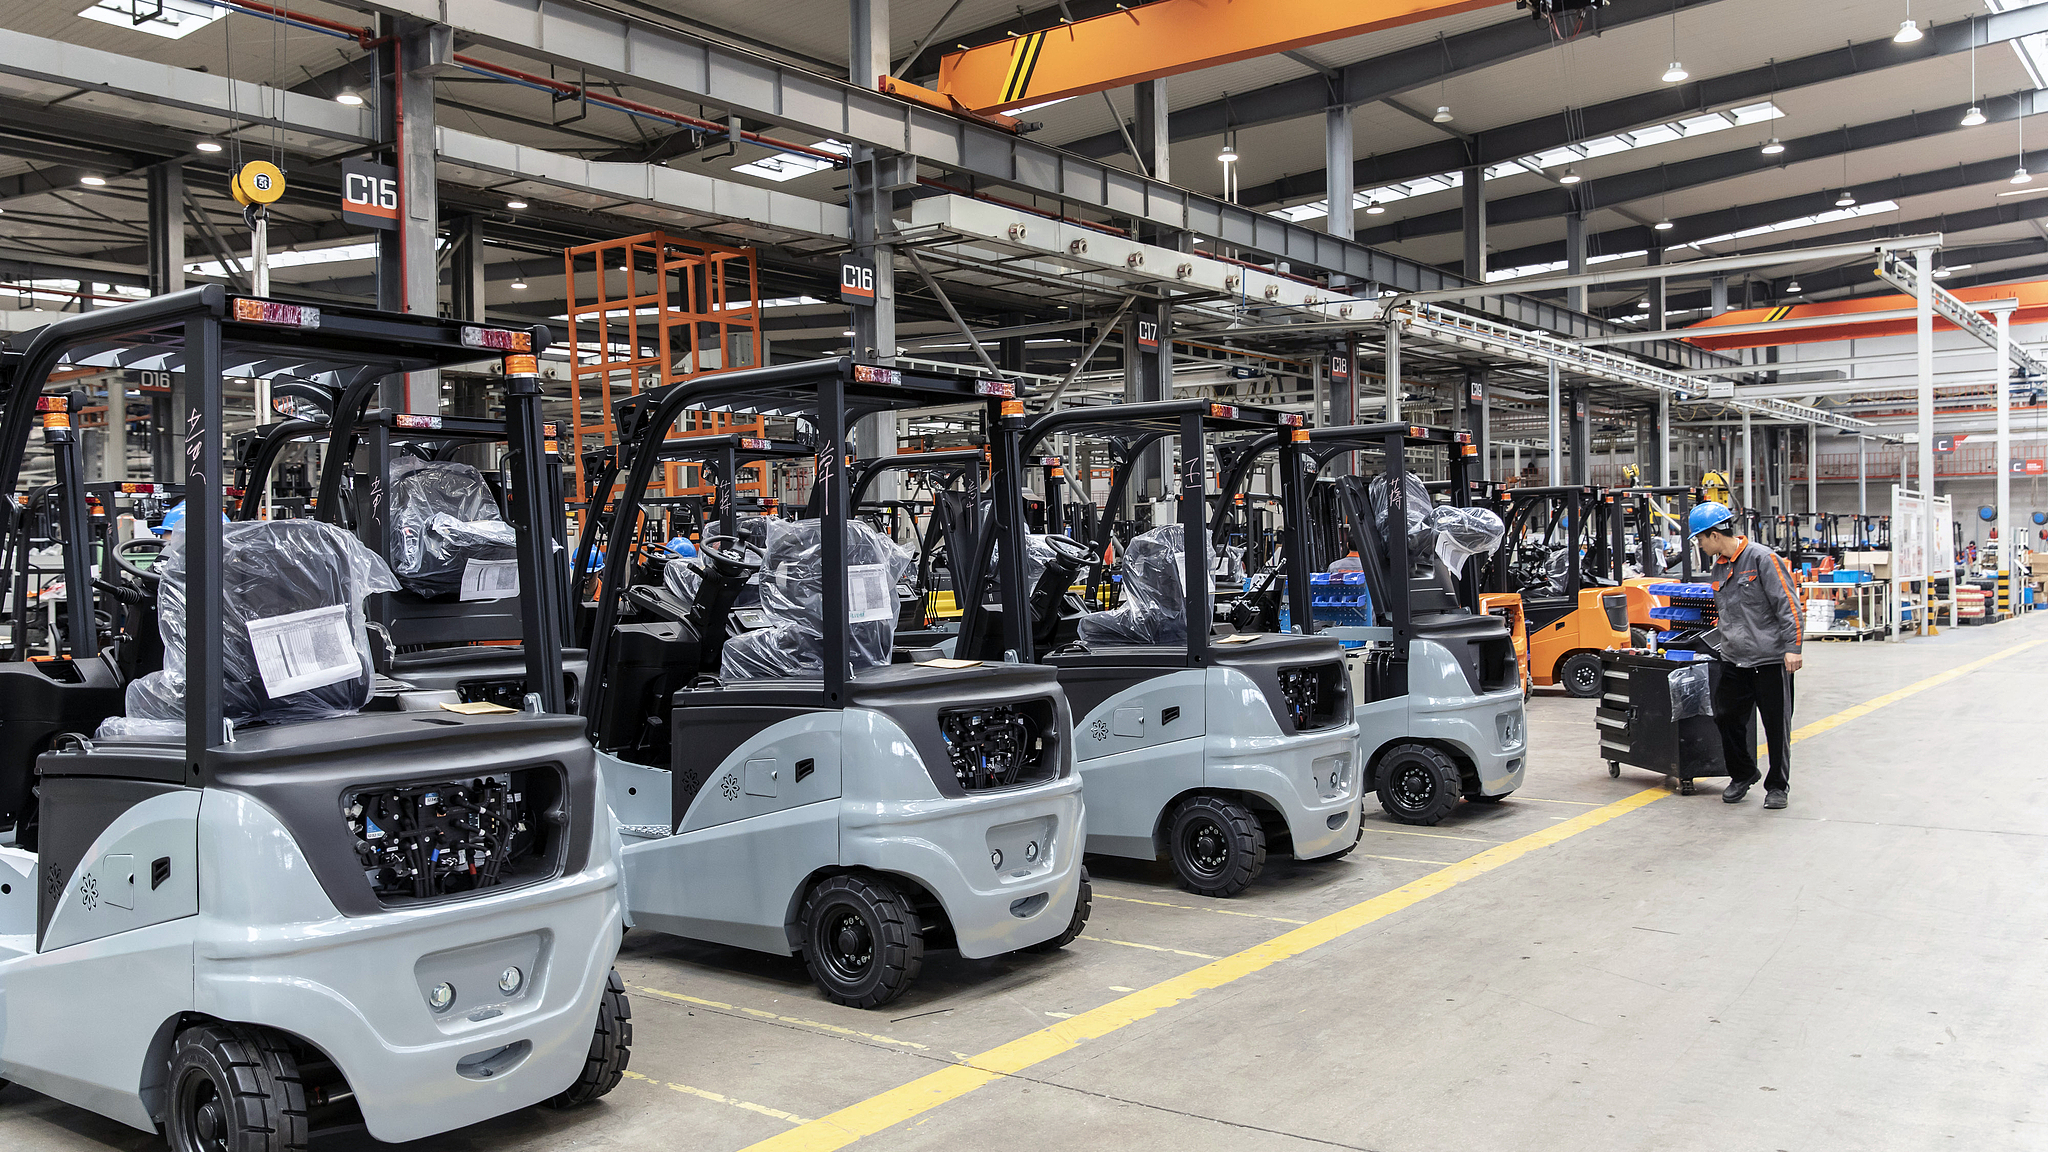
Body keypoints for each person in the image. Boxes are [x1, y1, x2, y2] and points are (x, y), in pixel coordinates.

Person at [1688, 503, 1802, 809]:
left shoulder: (1763, 558)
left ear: (1714, 535)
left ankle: (1777, 786)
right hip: (1734, 659)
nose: (1699, 545)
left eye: (1700, 538)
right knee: (1725, 716)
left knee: (1777, 727)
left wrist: (1793, 648)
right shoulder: (1719, 567)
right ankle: (1743, 773)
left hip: (1769, 660)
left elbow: (1788, 606)